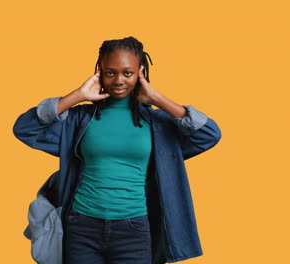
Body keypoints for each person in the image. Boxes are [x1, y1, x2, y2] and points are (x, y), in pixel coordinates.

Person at [13, 36, 221, 264]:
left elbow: (209, 134)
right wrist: (78, 95)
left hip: (134, 229)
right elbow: (25, 128)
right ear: (99, 72)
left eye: (127, 73)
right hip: (82, 226)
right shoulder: (81, 119)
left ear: (140, 72)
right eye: (110, 72)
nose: (118, 80)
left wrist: (155, 97)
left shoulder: (157, 122)